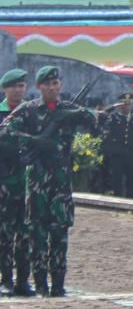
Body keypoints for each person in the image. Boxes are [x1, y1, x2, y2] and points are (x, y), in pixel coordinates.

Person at [0, 66, 96, 297]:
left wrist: (78, 114)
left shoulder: (69, 108)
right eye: (47, 84)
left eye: (56, 84)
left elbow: (95, 122)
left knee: (60, 233)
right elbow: (4, 131)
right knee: (37, 234)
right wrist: (34, 141)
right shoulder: (29, 110)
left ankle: (59, 284)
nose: (52, 88)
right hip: (36, 182)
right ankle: (40, 283)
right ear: (39, 87)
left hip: (61, 182)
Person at [0, 69, 31, 296]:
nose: (18, 90)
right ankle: (5, 279)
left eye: (21, 86)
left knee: (26, 234)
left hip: (28, 182)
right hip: (4, 181)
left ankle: (23, 280)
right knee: (4, 234)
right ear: (5, 89)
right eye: (14, 86)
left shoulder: (32, 112)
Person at [100, 92, 133, 197]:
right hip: (117, 153)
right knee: (117, 179)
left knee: (131, 179)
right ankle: (117, 200)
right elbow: (102, 115)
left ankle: (130, 200)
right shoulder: (114, 117)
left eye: (128, 104)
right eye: (124, 104)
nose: (126, 106)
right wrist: (114, 106)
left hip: (131, 153)